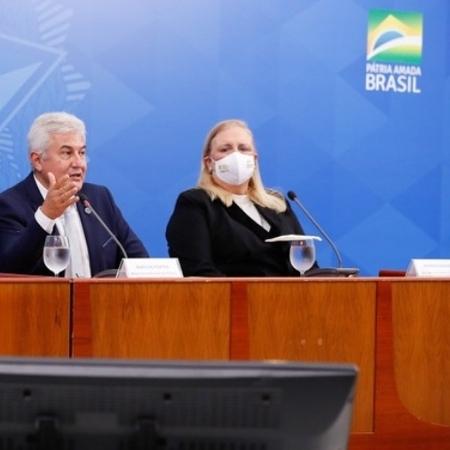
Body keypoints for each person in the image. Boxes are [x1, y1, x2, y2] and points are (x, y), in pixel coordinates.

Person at [0, 112, 148, 277]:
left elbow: (138, 261)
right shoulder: (9, 204)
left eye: (82, 153)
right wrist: (46, 215)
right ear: (37, 160)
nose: (79, 163)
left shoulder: (99, 198)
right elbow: (9, 269)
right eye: (66, 153)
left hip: (98, 302)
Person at [166, 119, 314, 276]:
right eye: (225, 149)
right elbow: (198, 272)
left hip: (294, 298)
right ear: (209, 162)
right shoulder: (196, 203)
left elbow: (308, 268)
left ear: (254, 160)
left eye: (243, 148)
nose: (236, 155)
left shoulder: (277, 203)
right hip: (235, 299)